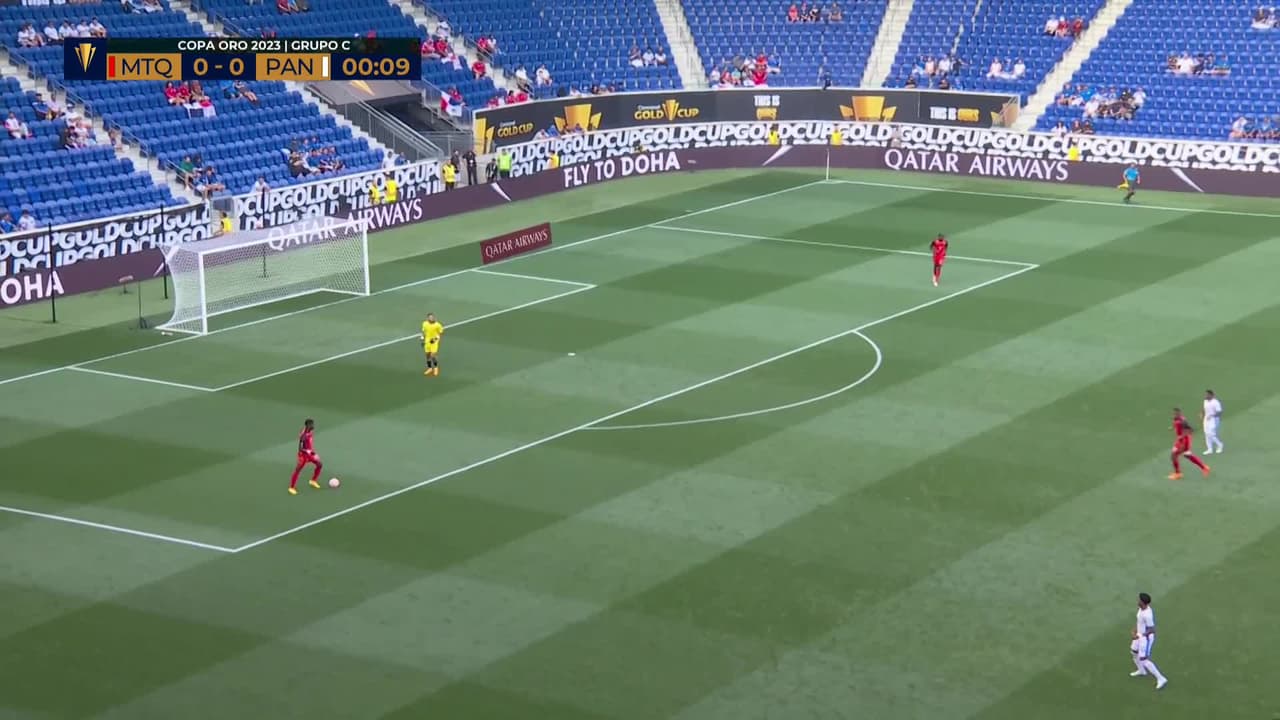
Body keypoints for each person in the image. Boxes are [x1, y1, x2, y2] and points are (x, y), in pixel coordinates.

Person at [1130, 593, 1168, 689]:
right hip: (1139, 635)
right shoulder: (1141, 609)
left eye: (1139, 600)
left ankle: (1161, 678)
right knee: (1134, 652)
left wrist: (1140, 635)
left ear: (1143, 603)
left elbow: (1152, 629)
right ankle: (1142, 671)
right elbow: (1139, 622)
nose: (1137, 601)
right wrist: (1135, 630)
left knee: (1144, 659)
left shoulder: (1147, 615)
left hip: (1145, 639)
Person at [1168, 408, 1210, 480]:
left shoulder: (1182, 421)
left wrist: (1182, 437)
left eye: (1176, 413)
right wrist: (1173, 427)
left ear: (1179, 413)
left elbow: (1190, 430)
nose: (1174, 415)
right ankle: (1204, 468)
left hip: (1184, 441)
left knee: (1174, 455)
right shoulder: (1176, 419)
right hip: (1180, 440)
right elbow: (1176, 425)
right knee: (1186, 455)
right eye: (1174, 413)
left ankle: (1178, 474)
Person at [288, 418, 323, 495]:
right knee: (298, 470)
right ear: (307, 425)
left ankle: (313, 481)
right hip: (303, 455)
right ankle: (291, 487)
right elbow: (300, 448)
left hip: (310, 454)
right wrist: (308, 451)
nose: (313, 426)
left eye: (313, 424)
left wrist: (312, 452)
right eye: (311, 424)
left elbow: (309, 444)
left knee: (319, 464)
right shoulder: (303, 435)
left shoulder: (310, 432)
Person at [1201, 389, 1224, 454]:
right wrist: (1202, 413)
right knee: (1206, 434)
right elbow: (1204, 408)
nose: (1206, 395)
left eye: (1207, 394)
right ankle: (1209, 449)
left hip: (1214, 420)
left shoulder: (1215, 402)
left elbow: (1219, 412)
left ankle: (1220, 445)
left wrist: (1212, 416)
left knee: (1211, 434)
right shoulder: (1205, 401)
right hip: (1206, 419)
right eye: (1205, 394)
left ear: (1211, 395)